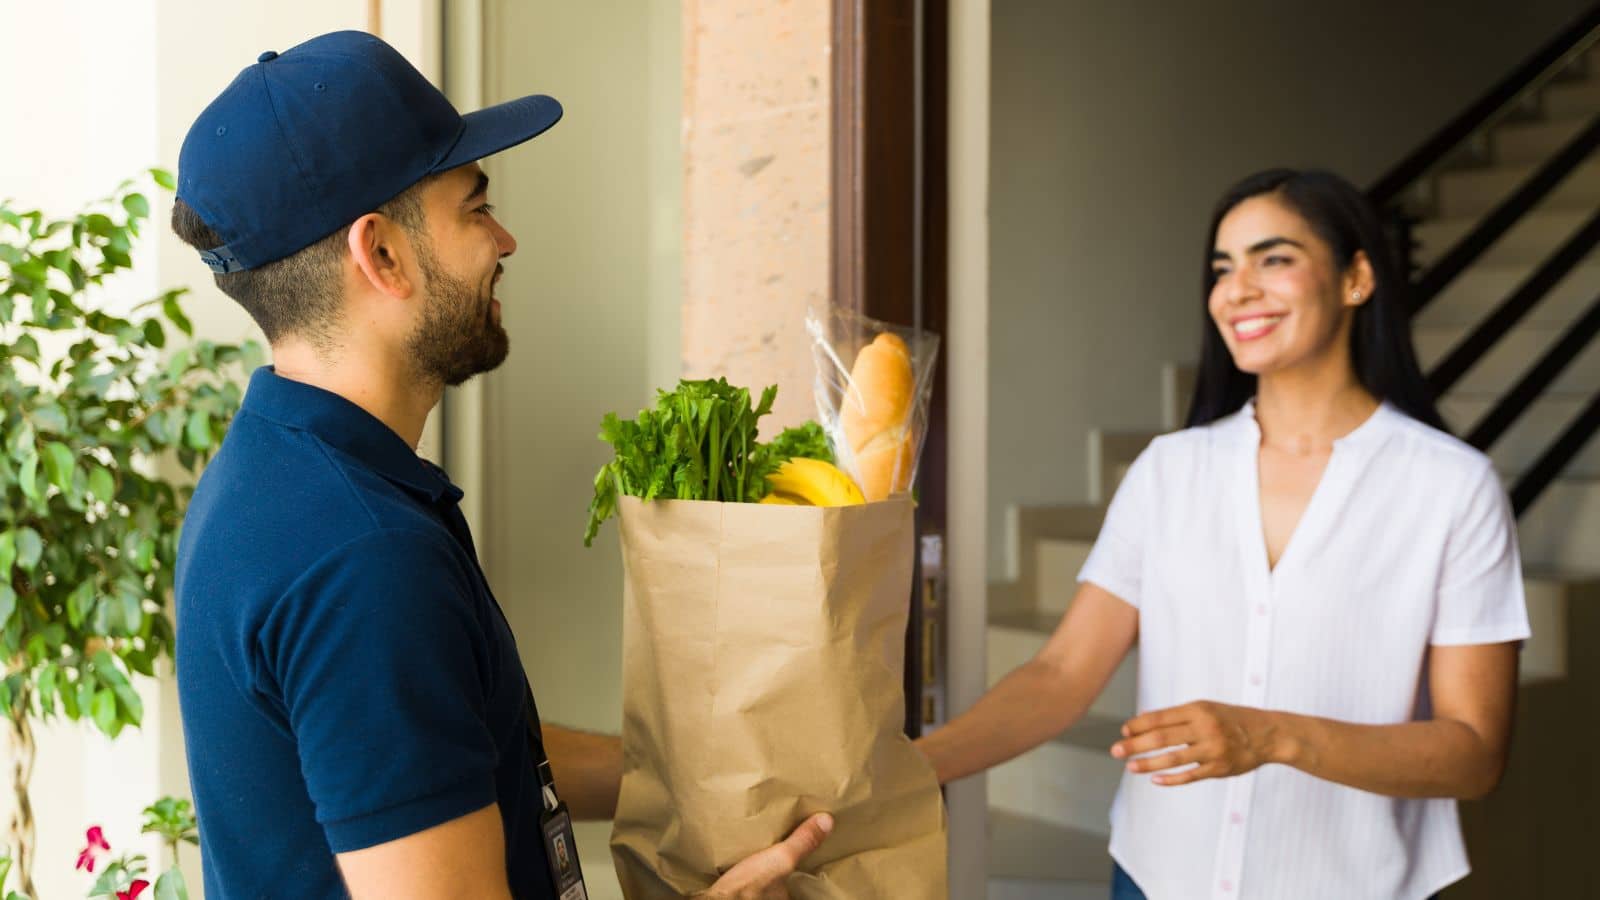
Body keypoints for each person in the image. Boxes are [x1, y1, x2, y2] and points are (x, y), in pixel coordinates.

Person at [171, 31, 829, 900]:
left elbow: (453, 743)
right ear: (383, 255)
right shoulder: (364, 557)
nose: (506, 239)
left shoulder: (276, 479)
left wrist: (689, 779)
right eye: (475, 208)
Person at [915, 169, 1529, 900]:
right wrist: (894, 777)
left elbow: (1473, 753)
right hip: (1157, 876)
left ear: (1357, 277)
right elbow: (1060, 676)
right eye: (1222, 267)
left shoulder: (1451, 487)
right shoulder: (1170, 471)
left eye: (1272, 259)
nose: (1236, 289)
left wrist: (1272, 738)